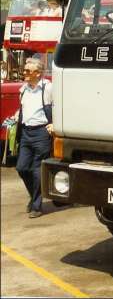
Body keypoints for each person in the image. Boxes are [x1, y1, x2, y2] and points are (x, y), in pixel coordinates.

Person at [10, 58, 53, 218]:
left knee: (36, 170)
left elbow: (57, 106)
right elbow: (23, 108)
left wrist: (53, 123)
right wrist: (17, 116)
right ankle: (34, 197)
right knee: (21, 168)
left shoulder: (48, 88)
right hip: (26, 133)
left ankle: (36, 206)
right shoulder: (24, 89)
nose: (24, 73)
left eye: (28, 71)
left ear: (38, 73)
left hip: (41, 132)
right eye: (25, 70)